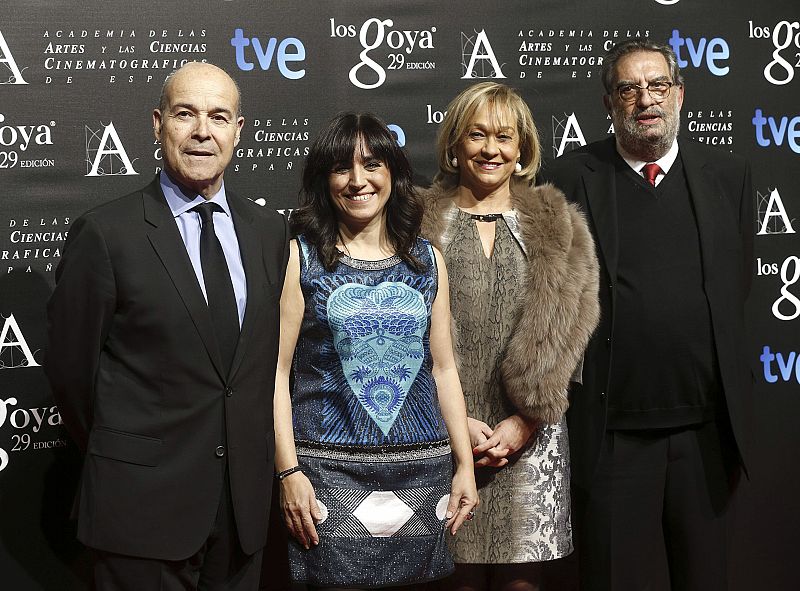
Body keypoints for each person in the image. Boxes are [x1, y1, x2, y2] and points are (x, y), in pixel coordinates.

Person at [45, 62, 289, 590]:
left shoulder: (269, 232)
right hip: (140, 510)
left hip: (242, 513)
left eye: (219, 117)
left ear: (238, 131)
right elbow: (71, 376)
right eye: (186, 114)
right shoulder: (106, 234)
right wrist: (132, 457)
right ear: (158, 124)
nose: (203, 131)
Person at [539, 39, 754, 591]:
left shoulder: (726, 177)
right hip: (611, 435)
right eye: (629, 88)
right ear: (609, 103)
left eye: (658, 85)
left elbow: (737, 294)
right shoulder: (569, 178)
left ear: (680, 94)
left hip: (705, 434)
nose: (646, 99)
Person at [273, 112, 479, 590]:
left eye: (372, 164)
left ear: (393, 174)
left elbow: (444, 370)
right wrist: (288, 471)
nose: (358, 180)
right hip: (327, 477)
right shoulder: (300, 258)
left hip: (422, 474)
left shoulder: (428, 261)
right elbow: (276, 375)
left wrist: (464, 465)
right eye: (342, 168)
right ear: (324, 180)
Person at [421, 82, 600, 591]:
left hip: (531, 438)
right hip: (441, 439)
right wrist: (452, 421)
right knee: (452, 580)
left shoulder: (556, 220)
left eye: (505, 137)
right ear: (455, 145)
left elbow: (576, 325)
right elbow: (392, 330)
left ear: (523, 147)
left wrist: (529, 419)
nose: (491, 150)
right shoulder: (415, 221)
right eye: (477, 135)